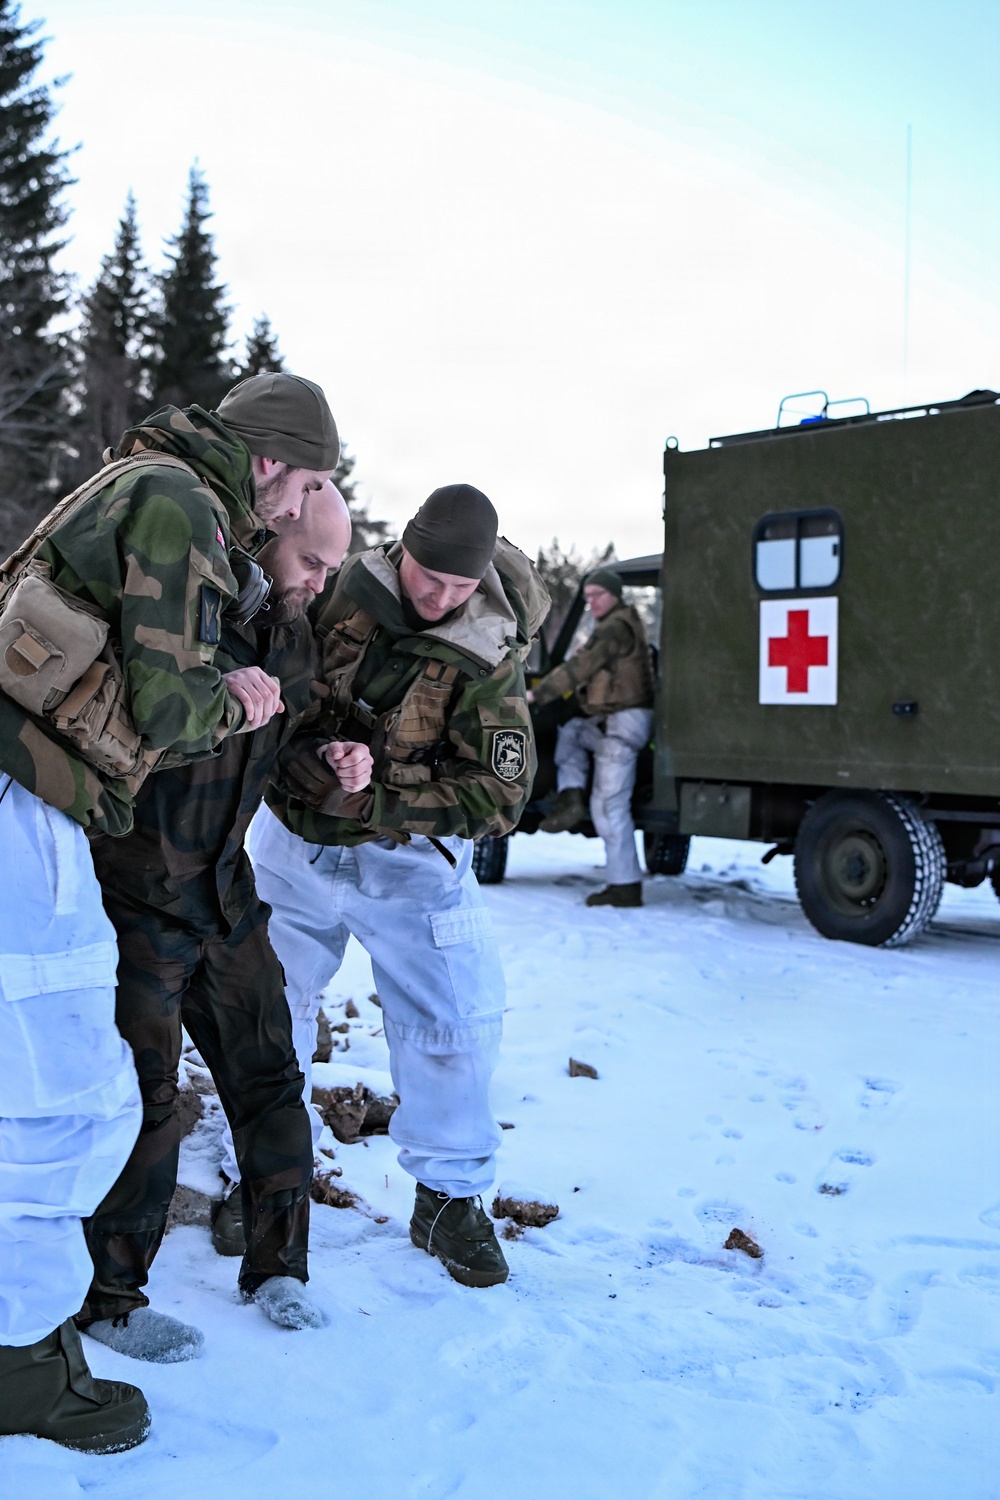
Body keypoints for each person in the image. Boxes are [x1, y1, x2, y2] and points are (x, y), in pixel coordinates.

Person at [0, 371, 338, 1451]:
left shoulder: (150, 484)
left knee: (66, 1094)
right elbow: (163, 702)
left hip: (61, 812)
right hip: (40, 812)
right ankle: (36, 1351)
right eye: (309, 488)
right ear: (274, 461)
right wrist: (231, 698)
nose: (295, 513)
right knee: (72, 1103)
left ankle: (33, 1342)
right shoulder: (182, 503)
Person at [78, 482, 362, 1363]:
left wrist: (332, 761)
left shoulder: (291, 635)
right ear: (269, 529)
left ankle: (279, 1267)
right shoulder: (177, 612)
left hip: (226, 895)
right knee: (143, 1103)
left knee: (272, 1073)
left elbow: (288, 751)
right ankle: (109, 1300)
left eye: (332, 570)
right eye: (311, 562)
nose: (319, 583)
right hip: (136, 899)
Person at [245, 483, 541, 1288]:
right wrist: (305, 754)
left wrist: (381, 793)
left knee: (451, 1022)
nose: (440, 597)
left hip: (411, 860)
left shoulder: (490, 649)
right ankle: (266, 1184)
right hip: (295, 842)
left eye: (459, 586)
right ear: (401, 549)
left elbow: (500, 796)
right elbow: (276, 675)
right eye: (426, 576)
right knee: (265, 1010)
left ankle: (449, 1200)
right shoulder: (341, 588)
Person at [529, 567, 654, 908]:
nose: (592, 602)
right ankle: (570, 796)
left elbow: (582, 666)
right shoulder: (619, 625)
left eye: (598, 594)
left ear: (615, 595)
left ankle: (625, 887)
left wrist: (538, 696)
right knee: (571, 732)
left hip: (622, 725)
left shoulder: (615, 628)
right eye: (588, 597)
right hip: (612, 722)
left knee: (609, 805)